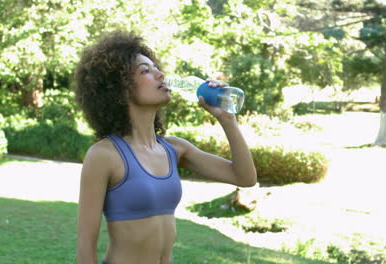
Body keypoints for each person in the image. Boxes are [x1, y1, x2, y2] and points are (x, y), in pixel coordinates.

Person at [74, 30, 257, 264]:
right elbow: (85, 246)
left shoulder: (174, 149)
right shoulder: (104, 155)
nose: (160, 75)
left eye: (156, 68)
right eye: (146, 71)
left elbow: (244, 177)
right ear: (118, 88)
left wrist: (227, 119)